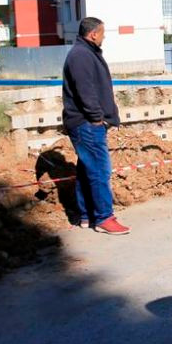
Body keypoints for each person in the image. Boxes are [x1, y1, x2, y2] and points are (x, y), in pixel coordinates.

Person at [62, 17, 129, 235]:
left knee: (86, 169)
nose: (104, 37)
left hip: (86, 123)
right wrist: (96, 117)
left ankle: (86, 215)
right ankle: (103, 218)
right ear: (93, 34)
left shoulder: (84, 53)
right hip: (87, 124)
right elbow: (85, 91)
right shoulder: (81, 56)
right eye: (102, 33)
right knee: (100, 170)